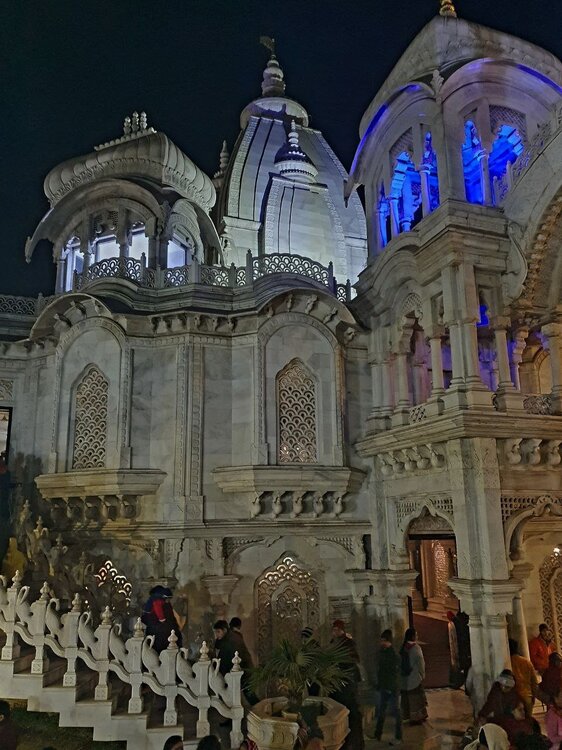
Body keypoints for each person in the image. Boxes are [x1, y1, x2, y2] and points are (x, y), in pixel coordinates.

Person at [329, 619, 364, 750]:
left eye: (336, 630)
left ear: (341, 630)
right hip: (339, 686)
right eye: (333, 630)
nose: (334, 632)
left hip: (348, 686)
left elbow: (354, 659)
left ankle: (354, 744)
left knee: (352, 715)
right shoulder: (334, 643)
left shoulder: (348, 643)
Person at [374, 629, 402, 745]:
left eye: (383, 641)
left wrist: (390, 687)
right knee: (381, 711)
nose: (382, 643)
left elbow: (394, 673)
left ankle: (398, 736)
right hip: (384, 686)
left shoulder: (393, 655)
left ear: (388, 641)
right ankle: (377, 734)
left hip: (392, 688)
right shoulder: (382, 652)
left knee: (396, 712)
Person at [142, 585, 183, 653]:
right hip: (158, 629)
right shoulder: (157, 602)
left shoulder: (164, 603)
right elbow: (159, 613)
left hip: (164, 628)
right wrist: (163, 620)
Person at [399, 627, 427, 724]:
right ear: (413, 636)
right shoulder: (416, 648)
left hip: (404, 680)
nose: (417, 636)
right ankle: (416, 718)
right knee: (416, 699)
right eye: (416, 634)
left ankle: (406, 716)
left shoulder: (403, 647)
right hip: (414, 679)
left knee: (406, 700)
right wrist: (422, 674)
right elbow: (421, 663)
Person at [228, 617, 258, 705]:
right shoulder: (236, 636)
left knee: (247, 691)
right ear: (239, 626)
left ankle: (259, 707)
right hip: (245, 666)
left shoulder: (232, 636)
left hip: (242, 667)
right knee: (247, 691)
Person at [510, 638, 539, 718]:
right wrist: (533, 696)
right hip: (527, 696)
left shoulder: (507, 662)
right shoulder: (526, 662)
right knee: (528, 721)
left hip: (514, 698)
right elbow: (534, 682)